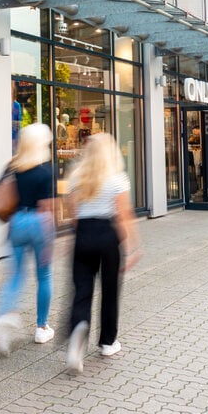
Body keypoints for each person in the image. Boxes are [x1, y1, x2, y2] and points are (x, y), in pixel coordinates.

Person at [64, 133, 142, 372]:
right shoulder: (118, 179)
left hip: (83, 234)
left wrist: (83, 233)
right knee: (110, 291)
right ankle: (108, 342)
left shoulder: (76, 177)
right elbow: (124, 214)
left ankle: (78, 334)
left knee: (82, 290)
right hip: (108, 235)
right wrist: (132, 246)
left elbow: (73, 213)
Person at [0, 122, 57, 354]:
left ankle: (3, 318)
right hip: (39, 222)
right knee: (44, 275)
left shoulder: (12, 167)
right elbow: (48, 207)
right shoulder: (46, 170)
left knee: (16, 276)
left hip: (17, 222)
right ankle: (41, 327)